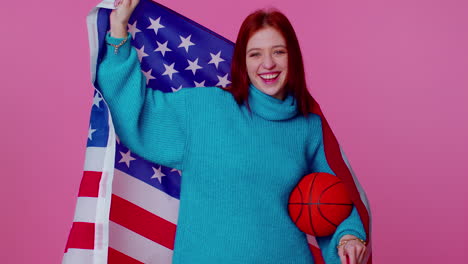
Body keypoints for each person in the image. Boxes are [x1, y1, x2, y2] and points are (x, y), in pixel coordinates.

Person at [99, 0, 368, 263]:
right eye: (256, 54)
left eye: (278, 51)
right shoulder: (205, 108)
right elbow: (139, 114)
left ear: (293, 57)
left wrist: (348, 237)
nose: (268, 64)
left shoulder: (308, 126)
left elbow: (332, 199)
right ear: (243, 61)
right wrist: (119, 31)